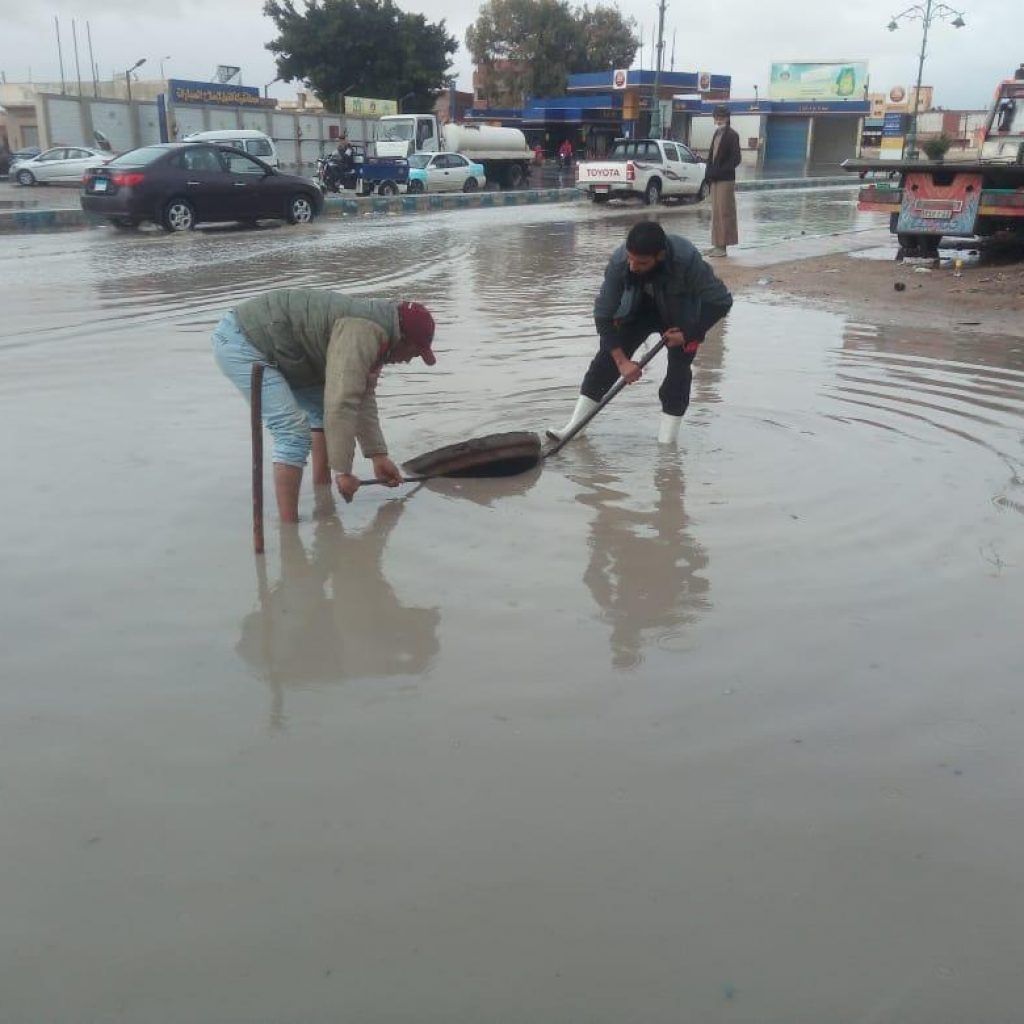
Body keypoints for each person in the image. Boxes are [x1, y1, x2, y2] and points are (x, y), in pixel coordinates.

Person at [212, 288, 437, 522]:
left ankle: (323, 500)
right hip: (244, 340)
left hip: (289, 350)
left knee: (320, 414)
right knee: (292, 433)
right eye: (414, 352)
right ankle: (290, 533)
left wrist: (378, 455)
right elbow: (342, 402)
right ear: (404, 339)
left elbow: (362, 395)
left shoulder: (381, 336)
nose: (409, 360)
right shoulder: (363, 332)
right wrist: (344, 471)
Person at [547, 221, 732, 446]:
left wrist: (689, 334)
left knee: (678, 375)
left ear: (660, 256)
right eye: (630, 259)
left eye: (642, 262)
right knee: (604, 364)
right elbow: (603, 316)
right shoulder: (620, 262)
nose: (633, 266)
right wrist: (623, 362)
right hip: (636, 311)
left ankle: (667, 444)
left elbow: (721, 301)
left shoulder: (687, 259)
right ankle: (573, 429)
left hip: (681, 317)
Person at [703, 105, 742, 257]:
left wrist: (720, 171)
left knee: (725, 212)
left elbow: (736, 159)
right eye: (716, 117)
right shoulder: (716, 134)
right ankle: (716, 245)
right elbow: (712, 157)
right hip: (715, 179)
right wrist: (709, 174)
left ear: (727, 118)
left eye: (721, 117)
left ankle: (723, 248)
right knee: (716, 213)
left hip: (725, 179)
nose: (718, 120)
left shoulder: (732, 135)